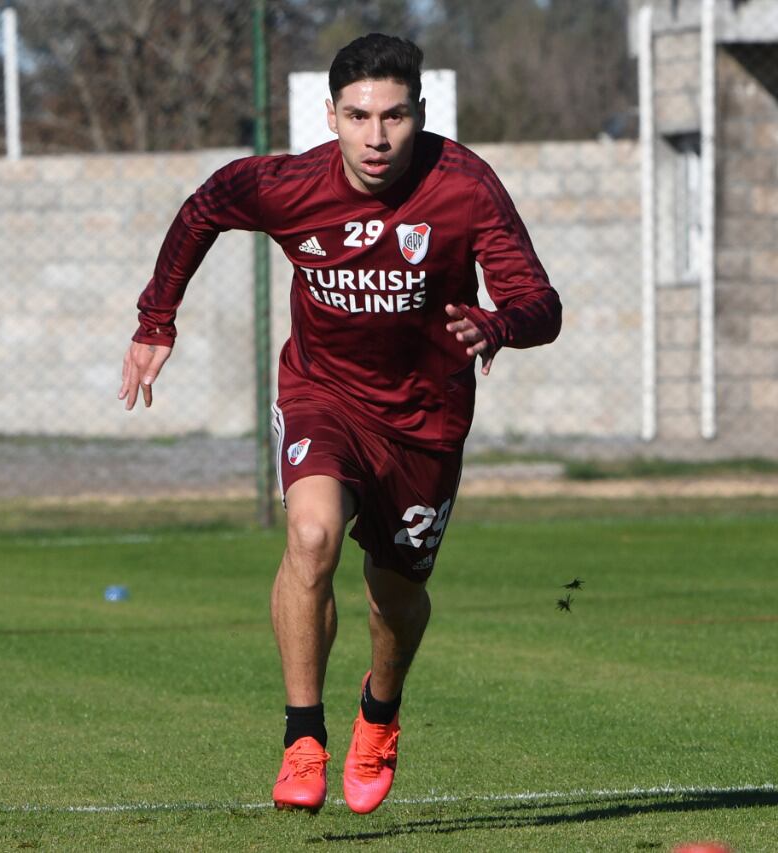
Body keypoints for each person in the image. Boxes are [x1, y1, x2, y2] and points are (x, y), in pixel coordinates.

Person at [117, 33, 561, 814]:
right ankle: (302, 735)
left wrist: (499, 326)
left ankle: (379, 711)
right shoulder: (288, 184)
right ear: (331, 116)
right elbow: (203, 210)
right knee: (312, 536)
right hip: (324, 393)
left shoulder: (464, 187)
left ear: (419, 114)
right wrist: (157, 319)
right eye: (358, 116)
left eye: (393, 116)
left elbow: (540, 303)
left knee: (395, 597)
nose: (376, 136)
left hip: (426, 421)